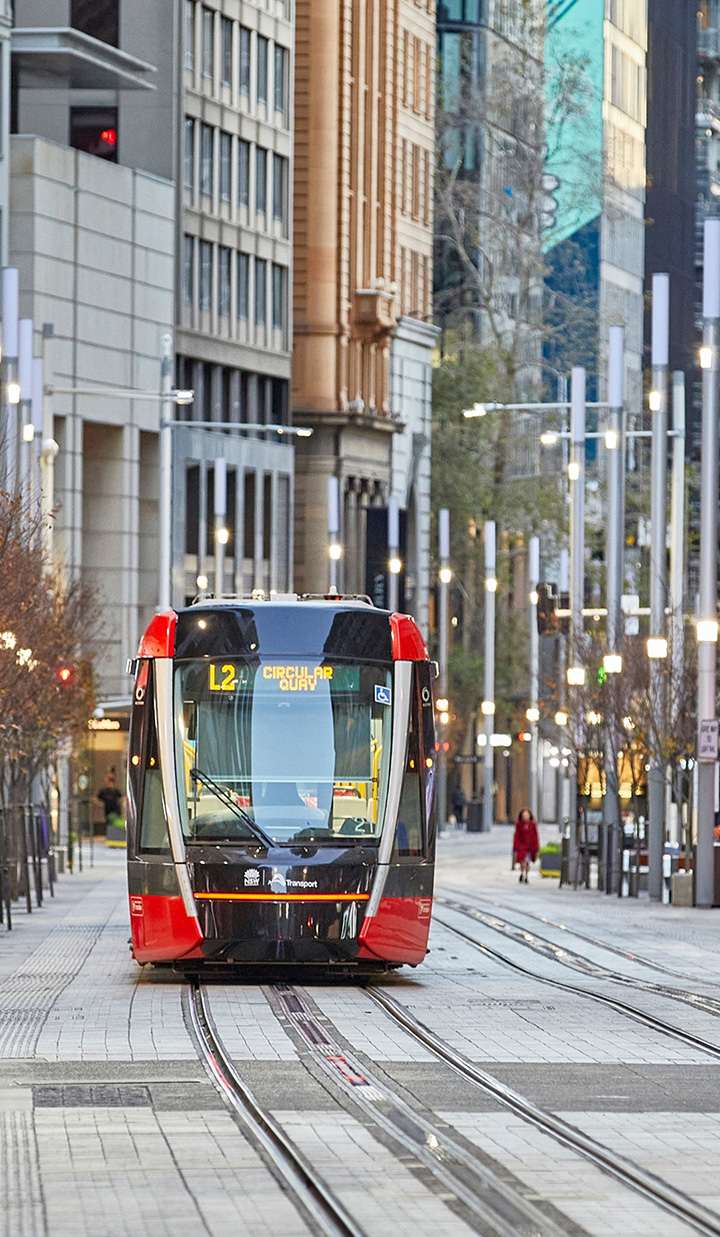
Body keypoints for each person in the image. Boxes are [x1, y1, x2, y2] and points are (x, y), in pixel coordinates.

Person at [513, 807, 539, 884]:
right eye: (524, 815)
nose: (526, 816)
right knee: (522, 861)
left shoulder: (533, 824)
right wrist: (515, 847)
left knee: (528, 861)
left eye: (527, 815)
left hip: (530, 845)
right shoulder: (519, 824)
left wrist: (536, 847)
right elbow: (516, 835)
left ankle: (526, 875)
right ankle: (522, 873)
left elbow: (535, 835)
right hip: (522, 845)